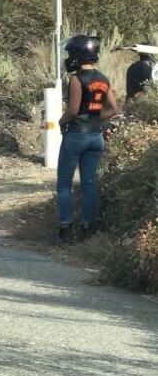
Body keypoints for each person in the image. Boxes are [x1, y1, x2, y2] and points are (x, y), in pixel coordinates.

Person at [57, 35, 119, 244]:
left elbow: (73, 110)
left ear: (78, 54)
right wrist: (96, 120)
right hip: (96, 136)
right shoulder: (103, 78)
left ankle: (65, 229)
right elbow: (113, 108)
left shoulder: (76, 79)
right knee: (89, 184)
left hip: (76, 135)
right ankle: (87, 228)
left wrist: (60, 121)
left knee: (64, 184)